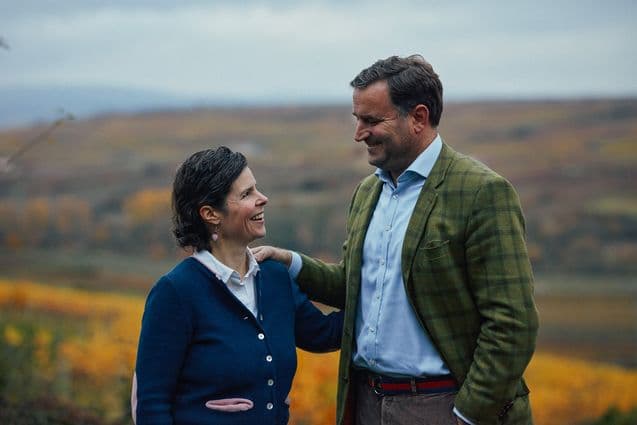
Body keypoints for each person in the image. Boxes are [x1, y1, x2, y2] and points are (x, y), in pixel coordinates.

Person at [252, 55, 539, 425]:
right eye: (357, 119)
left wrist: (467, 415)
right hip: (366, 402)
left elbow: (512, 324)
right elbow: (357, 287)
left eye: (371, 120)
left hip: (440, 405)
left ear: (418, 118)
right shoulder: (367, 192)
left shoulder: (483, 192)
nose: (359, 133)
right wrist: (288, 261)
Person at [132, 146, 343, 425]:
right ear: (210, 214)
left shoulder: (274, 278)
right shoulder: (176, 292)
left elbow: (326, 334)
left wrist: (388, 295)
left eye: (256, 189)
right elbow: (152, 404)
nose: (263, 199)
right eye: (247, 194)